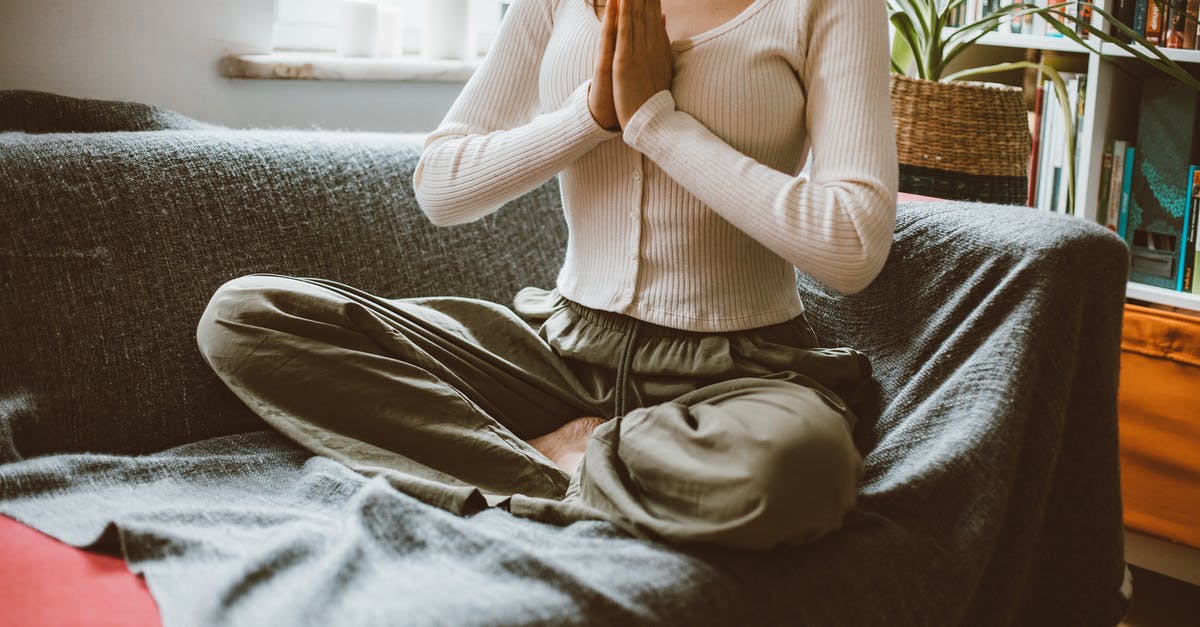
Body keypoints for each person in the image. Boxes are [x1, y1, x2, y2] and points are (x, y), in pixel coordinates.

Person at [197, 0, 897, 550]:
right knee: (245, 317)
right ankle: (569, 463)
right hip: (560, 354)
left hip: (741, 373)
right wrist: (591, 114)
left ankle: (580, 457)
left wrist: (656, 123)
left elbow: (852, 244)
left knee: (801, 471)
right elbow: (441, 185)